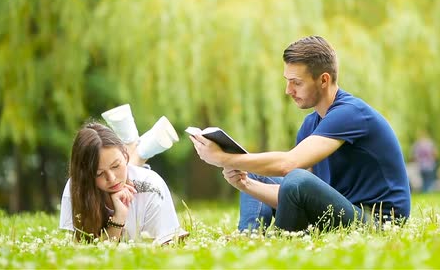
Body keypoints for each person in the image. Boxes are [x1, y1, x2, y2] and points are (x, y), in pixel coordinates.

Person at [190, 35, 411, 232]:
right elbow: (292, 195)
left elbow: (290, 167)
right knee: (256, 173)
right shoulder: (310, 125)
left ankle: (282, 241)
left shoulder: (351, 113)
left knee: (294, 176)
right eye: (287, 82)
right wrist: (245, 184)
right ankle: (249, 236)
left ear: (324, 80)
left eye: (296, 83)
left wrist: (223, 158)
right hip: (342, 209)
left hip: (378, 221)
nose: (288, 90)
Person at [59, 122, 187, 244]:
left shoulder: (152, 187)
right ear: (85, 175)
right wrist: (119, 217)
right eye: (99, 173)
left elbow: (164, 247)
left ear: (125, 156)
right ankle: (138, 149)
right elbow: (83, 253)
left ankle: (135, 148)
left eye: (116, 166)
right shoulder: (76, 189)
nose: (112, 178)